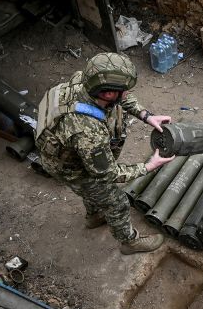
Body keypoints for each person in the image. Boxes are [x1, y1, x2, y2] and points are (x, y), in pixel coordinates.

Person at [34, 52, 175, 255]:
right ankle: (129, 242)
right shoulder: (87, 131)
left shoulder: (85, 81)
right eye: (124, 90)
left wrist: (146, 115)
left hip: (74, 152)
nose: (127, 93)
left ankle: (94, 216)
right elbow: (107, 173)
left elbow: (122, 98)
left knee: (96, 191)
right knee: (117, 202)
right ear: (108, 94)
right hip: (70, 168)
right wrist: (148, 166)